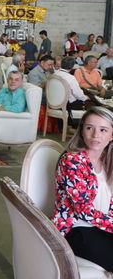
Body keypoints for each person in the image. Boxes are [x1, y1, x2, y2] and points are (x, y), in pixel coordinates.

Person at [54, 107, 113, 272]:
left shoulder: (108, 161)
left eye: (103, 130)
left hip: (101, 226)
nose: (95, 135)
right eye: (89, 128)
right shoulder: (72, 161)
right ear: (81, 131)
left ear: (112, 135)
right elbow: (83, 211)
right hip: (76, 229)